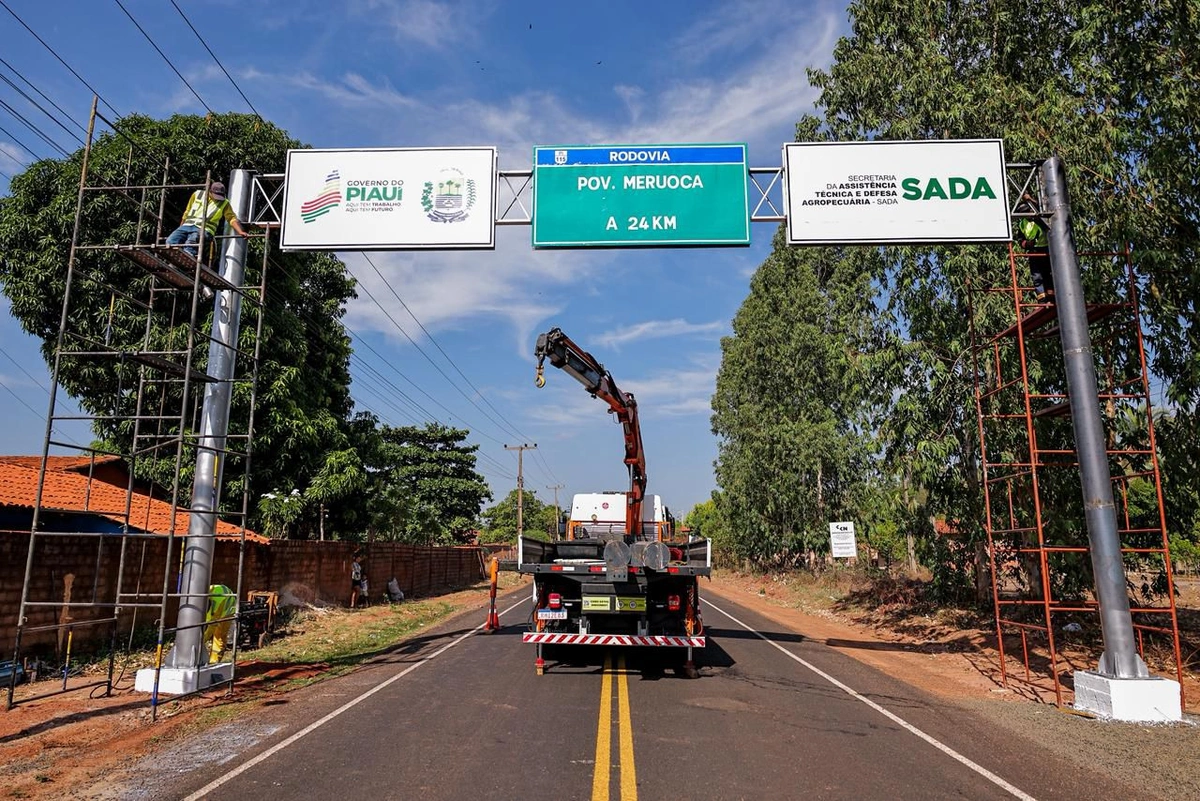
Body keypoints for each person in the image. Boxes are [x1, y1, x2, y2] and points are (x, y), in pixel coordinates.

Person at [165, 181, 250, 261]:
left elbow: (231, 218)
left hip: (205, 229)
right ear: (210, 191)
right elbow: (187, 211)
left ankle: (188, 257)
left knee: (191, 242)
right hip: (187, 225)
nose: (218, 198)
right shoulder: (197, 194)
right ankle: (174, 260)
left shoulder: (224, 203)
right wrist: (181, 226)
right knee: (171, 241)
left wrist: (240, 231)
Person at [1016, 213, 1052, 302]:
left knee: (1048, 273)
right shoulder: (1022, 223)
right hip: (1033, 251)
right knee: (1036, 275)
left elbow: (1048, 228)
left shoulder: (1039, 219)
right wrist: (1026, 244)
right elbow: (1020, 239)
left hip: (1046, 248)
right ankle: (1042, 298)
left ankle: (1052, 295)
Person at [203, 584, 237, 664]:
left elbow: (212, 626)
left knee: (219, 635)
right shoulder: (204, 595)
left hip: (227, 610)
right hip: (221, 601)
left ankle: (214, 661)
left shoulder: (216, 605)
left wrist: (202, 641)